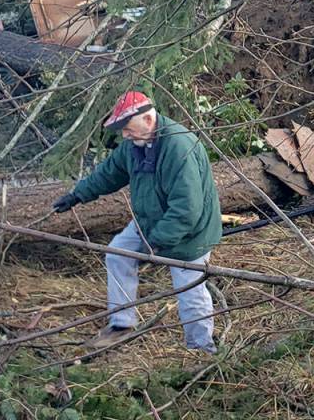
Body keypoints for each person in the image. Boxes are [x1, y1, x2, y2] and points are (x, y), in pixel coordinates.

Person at [52, 91, 222, 353]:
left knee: (189, 291)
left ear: (147, 119)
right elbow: (110, 173)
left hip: (190, 235)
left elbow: (187, 210)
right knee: (117, 254)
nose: (124, 135)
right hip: (149, 223)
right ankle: (121, 324)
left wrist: (157, 242)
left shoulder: (179, 148)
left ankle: (201, 348)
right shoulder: (135, 145)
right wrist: (78, 195)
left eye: (128, 129)